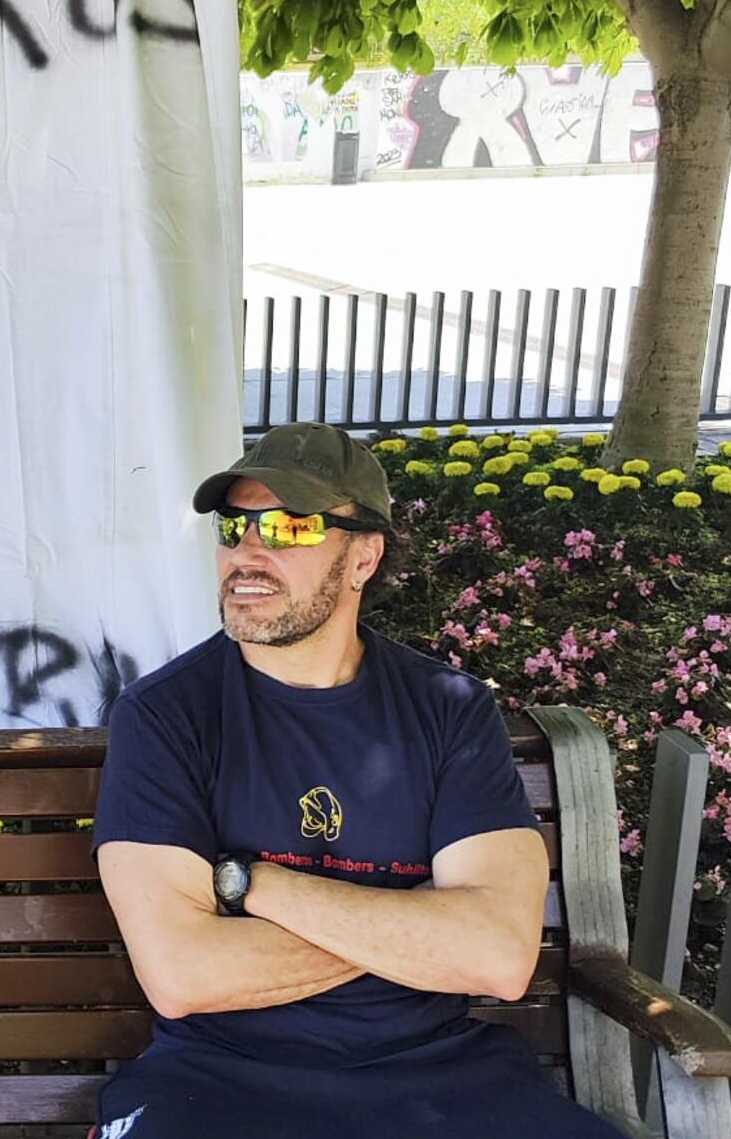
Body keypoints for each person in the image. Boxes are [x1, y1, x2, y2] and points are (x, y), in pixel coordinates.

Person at [90, 422, 619, 1138]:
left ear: (364, 555)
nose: (248, 551)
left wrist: (258, 886)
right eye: (233, 525)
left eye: (289, 525)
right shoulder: (163, 716)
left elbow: (495, 956)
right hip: (220, 1079)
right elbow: (183, 974)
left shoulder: (450, 711)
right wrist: (418, 921)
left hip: (441, 1073)